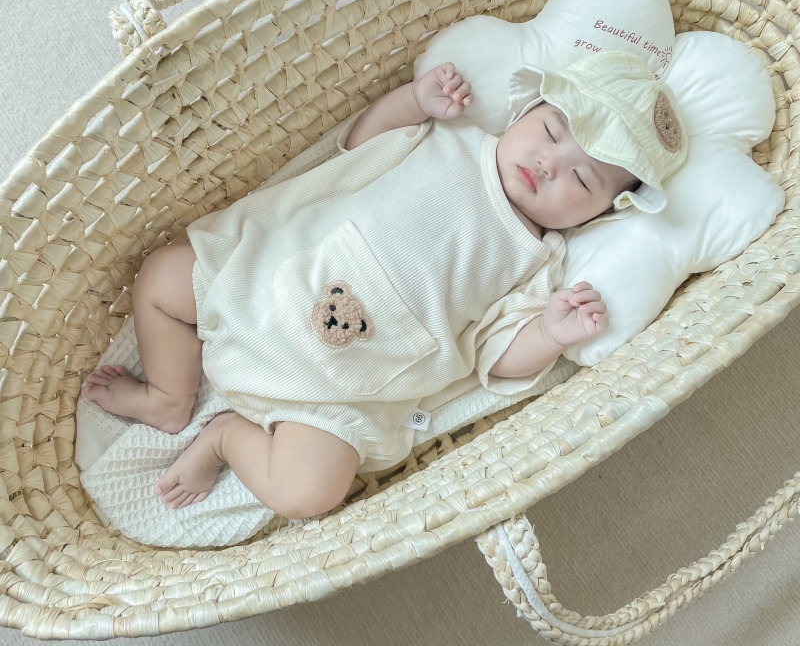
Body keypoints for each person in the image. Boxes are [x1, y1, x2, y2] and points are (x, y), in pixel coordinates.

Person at [80, 49, 687, 520]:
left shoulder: (539, 262)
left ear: (599, 214)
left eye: (581, 180)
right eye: (552, 133)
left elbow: (497, 352)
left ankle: (224, 438)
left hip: (336, 389)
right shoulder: (452, 141)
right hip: (264, 285)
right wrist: (414, 100)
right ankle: (168, 396)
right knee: (162, 275)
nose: (549, 165)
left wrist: (550, 333)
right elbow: (358, 150)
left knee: (308, 491)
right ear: (528, 110)